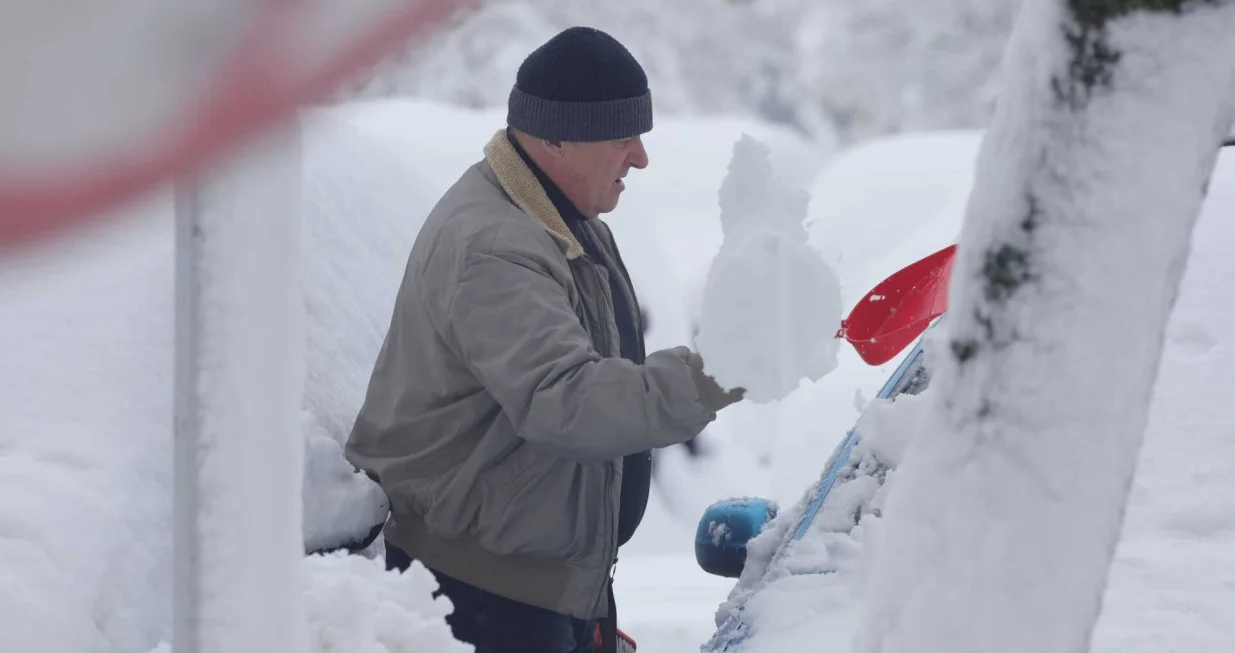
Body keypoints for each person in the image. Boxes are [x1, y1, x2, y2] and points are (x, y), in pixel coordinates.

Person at [344, 25, 744, 653]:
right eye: (622, 136)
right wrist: (724, 366)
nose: (639, 156)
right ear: (557, 139)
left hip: (533, 592)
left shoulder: (561, 220)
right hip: (478, 601)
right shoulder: (496, 245)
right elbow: (569, 401)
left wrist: (586, 617)